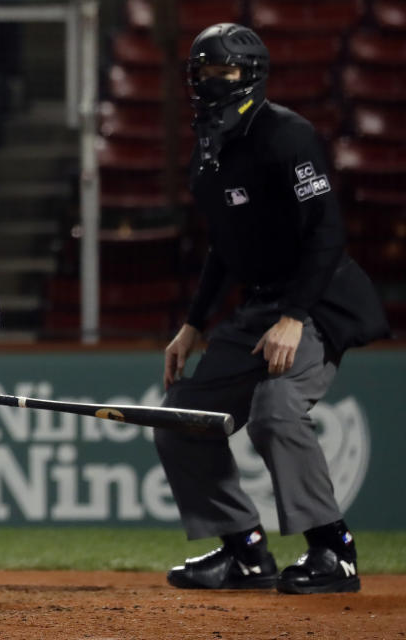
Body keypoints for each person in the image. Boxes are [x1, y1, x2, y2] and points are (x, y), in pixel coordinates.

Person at [156, 23, 389, 595]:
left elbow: (327, 234)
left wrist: (294, 317)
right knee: (181, 418)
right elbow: (223, 245)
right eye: (203, 71)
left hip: (318, 301)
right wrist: (192, 323)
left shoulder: (286, 134)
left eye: (224, 71)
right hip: (261, 304)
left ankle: (333, 551)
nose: (212, 82)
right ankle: (244, 552)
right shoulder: (210, 144)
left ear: (251, 75)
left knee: (277, 408)